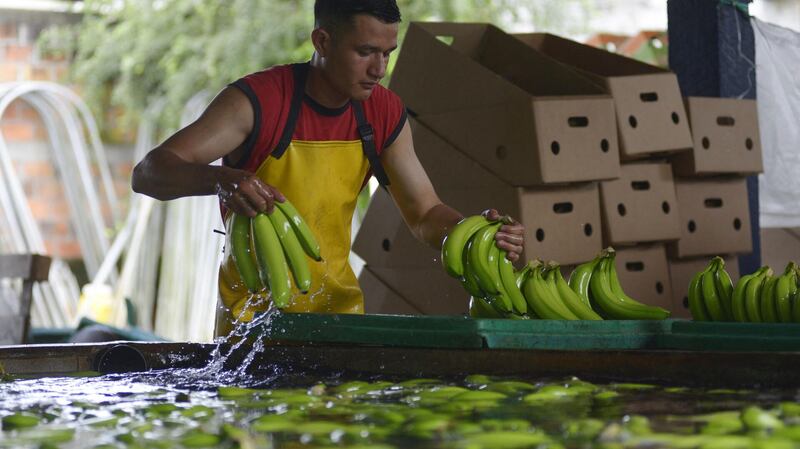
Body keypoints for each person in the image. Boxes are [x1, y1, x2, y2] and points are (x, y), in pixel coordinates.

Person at [132, 0, 525, 337]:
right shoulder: (258, 102)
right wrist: (219, 180)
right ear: (322, 41)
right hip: (251, 329)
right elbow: (149, 173)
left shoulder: (384, 113)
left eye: (388, 53)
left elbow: (424, 214)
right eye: (366, 52)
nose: (379, 69)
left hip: (339, 319)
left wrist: (474, 234)